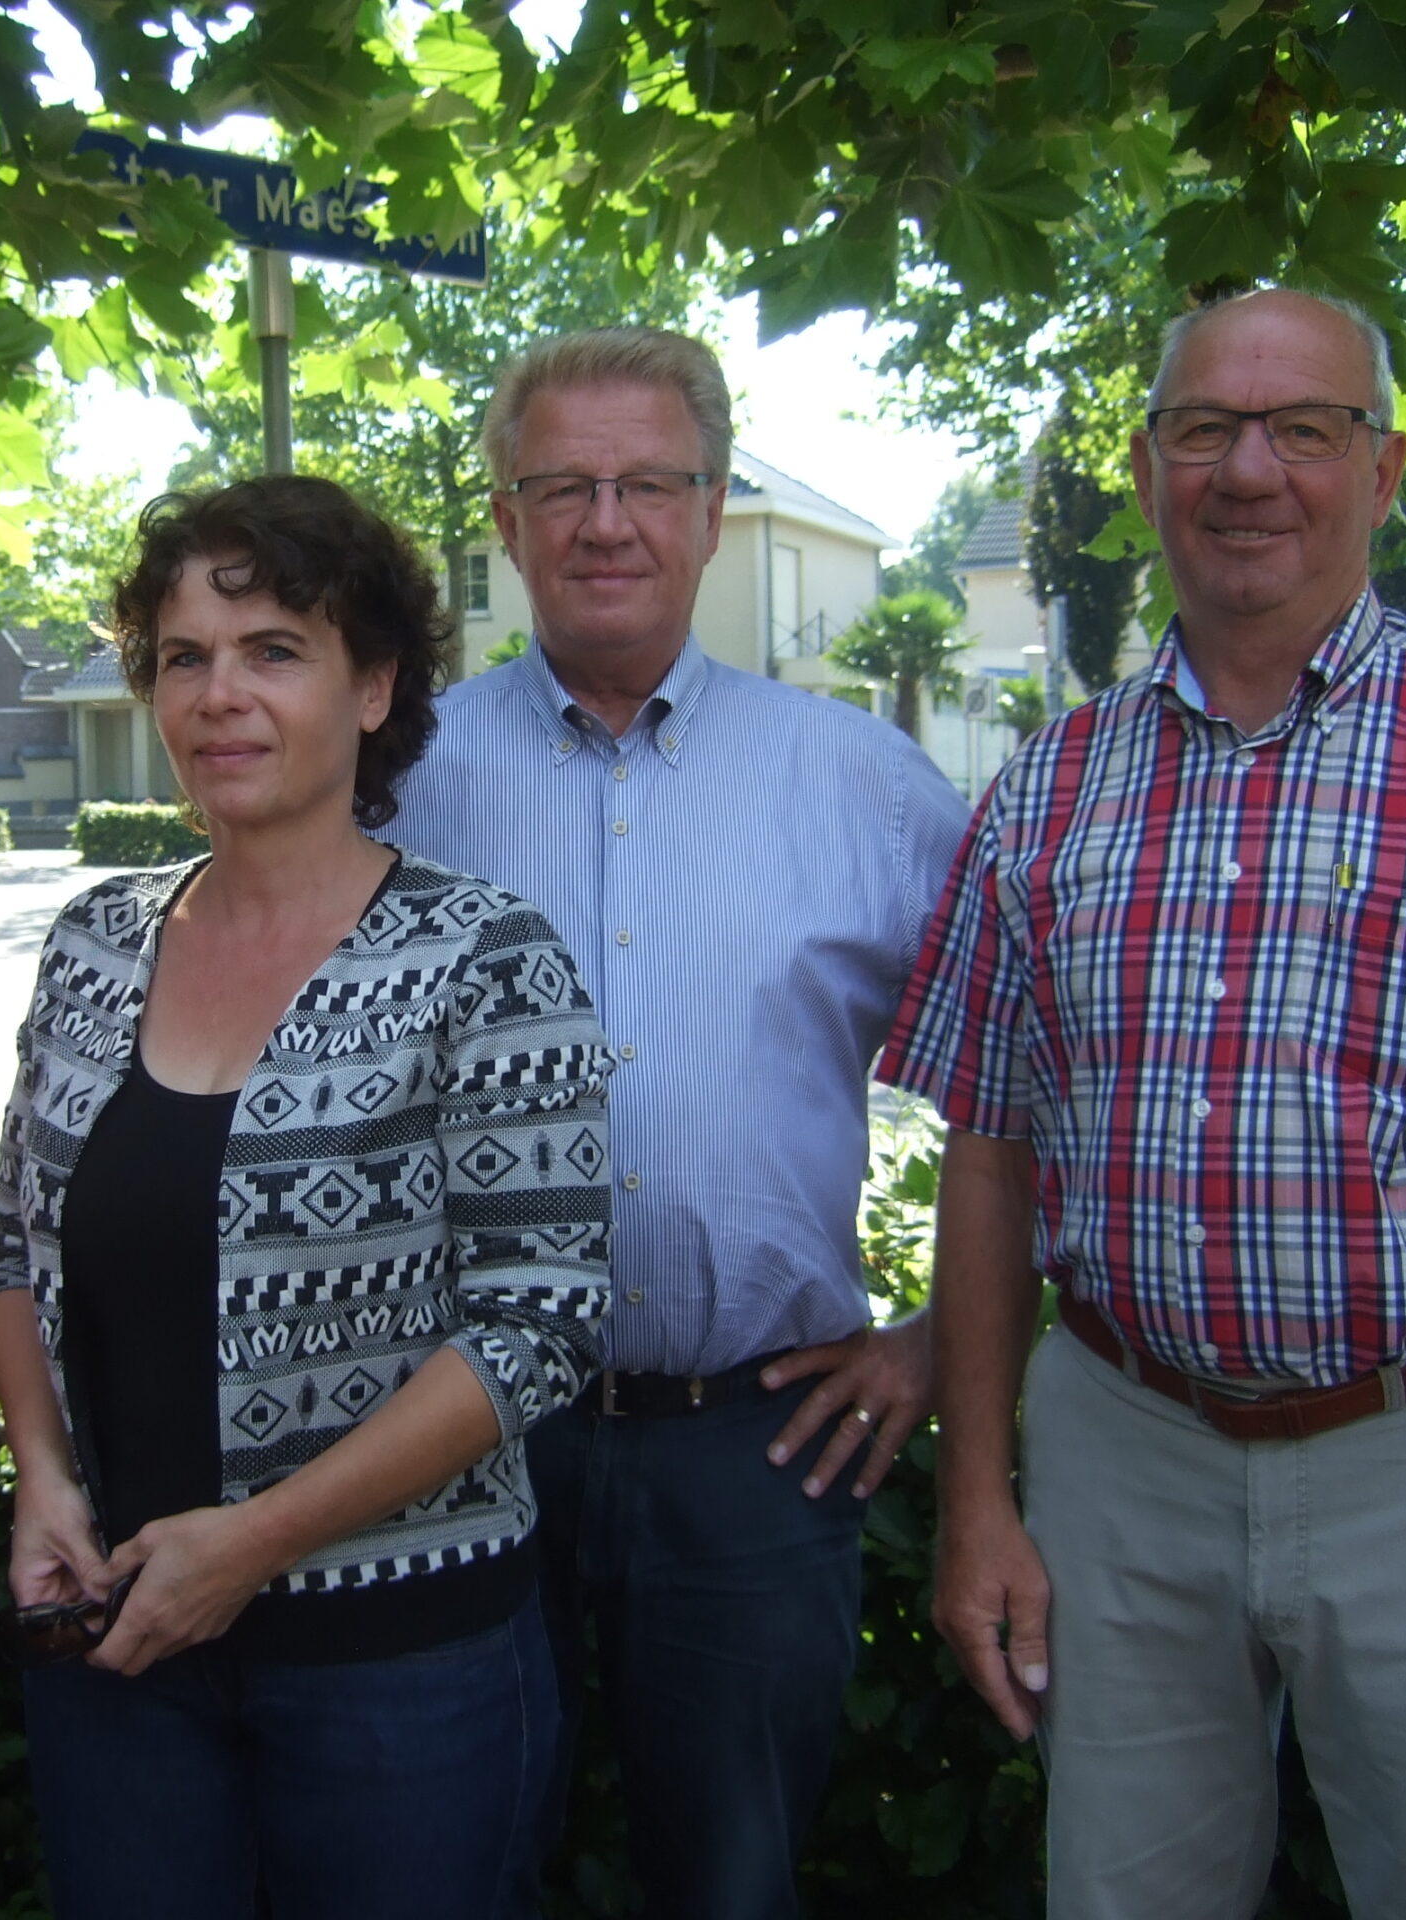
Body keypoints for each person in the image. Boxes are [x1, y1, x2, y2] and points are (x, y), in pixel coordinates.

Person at [880, 286, 1406, 1917]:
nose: (1250, 470)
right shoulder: (1051, 787)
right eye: (1204, 428)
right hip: (1124, 1458)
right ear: (1148, 469)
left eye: (1306, 429)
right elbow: (987, 1155)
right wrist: (979, 1498)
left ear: (1387, 469)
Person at [0, 474, 614, 1920]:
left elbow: (542, 1323)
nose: (220, 696)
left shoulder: (484, 958)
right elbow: (12, 1244)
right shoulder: (95, 943)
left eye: (274, 650)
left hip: (401, 1666)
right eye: (182, 658)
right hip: (118, 1643)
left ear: (373, 687)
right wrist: (44, 1482)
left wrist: (255, 1545)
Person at [391, 327, 971, 1916]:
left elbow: (1037, 1083)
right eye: (563, 487)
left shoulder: (867, 787)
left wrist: (940, 1339)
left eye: (650, 483)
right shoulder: (396, 779)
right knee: (447, 1873)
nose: (607, 523)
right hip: (451, 1443)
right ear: (504, 521)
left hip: (752, 1456)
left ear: (715, 510)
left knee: (730, 1883)